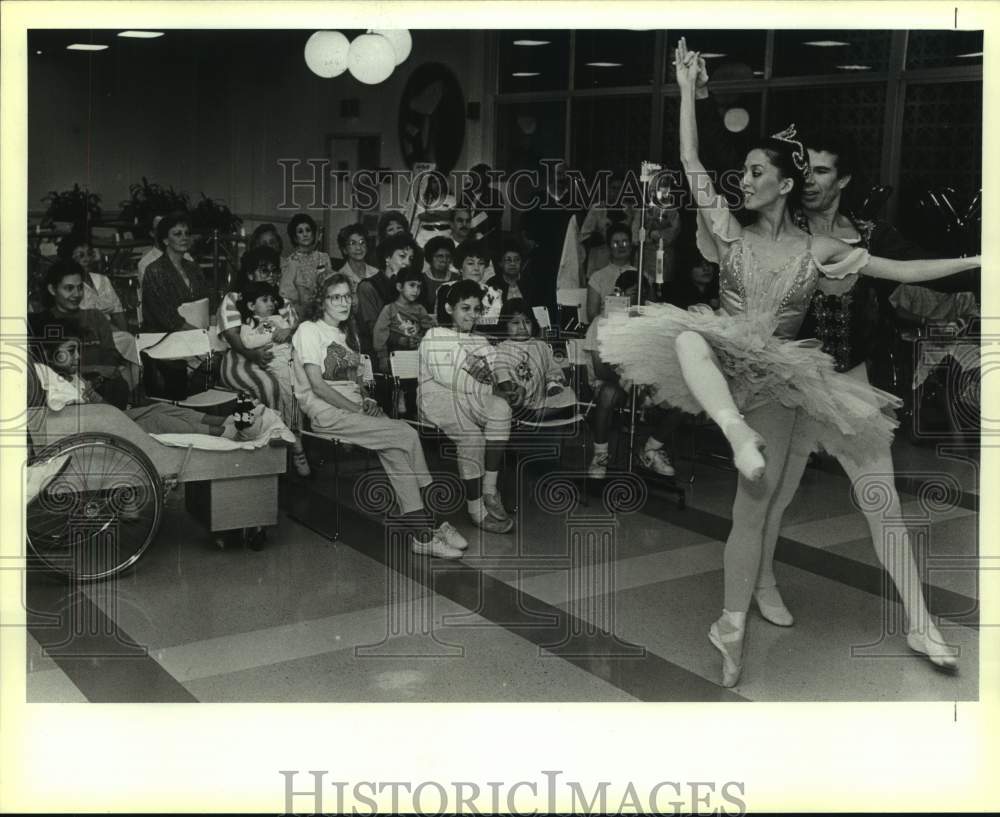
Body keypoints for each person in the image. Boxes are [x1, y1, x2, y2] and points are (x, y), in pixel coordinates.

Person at [597, 39, 980, 686]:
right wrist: (688, 90)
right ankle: (738, 460)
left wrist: (976, 260)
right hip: (739, 364)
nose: (745, 180)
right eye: (745, 171)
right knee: (692, 346)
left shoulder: (828, 243)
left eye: (757, 172)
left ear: (796, 182)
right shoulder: (732, 230)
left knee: (782, 504)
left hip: (802, 380)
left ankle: (746, 622)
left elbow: (901, 270)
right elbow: (692, 160)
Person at [744, 131, 966, 669]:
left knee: (881, 503)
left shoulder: (871, 235)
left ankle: (920, 623)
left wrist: (975, 270)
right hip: (787, 383)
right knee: (773, 495)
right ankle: (762, 582)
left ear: (843, 179)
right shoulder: (781, 228)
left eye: (823, 171)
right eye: (806, 170)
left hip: (849, 384)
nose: (811, 181)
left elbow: (919, 272)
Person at [292, 274, 467, 559]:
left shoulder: (346, 333)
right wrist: (357, 410)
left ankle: (423, 535)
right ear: (321, 301)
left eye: (347, 296)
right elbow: (317, 385)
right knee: (407, 433)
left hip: (355, 411)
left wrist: (367, 400)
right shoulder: (309, 330)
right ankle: (434, 521)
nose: (344, 303)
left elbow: (354, 382)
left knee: (396, 450)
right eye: (335, 297)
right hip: (327, 414)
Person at [32, 319, 264, 441]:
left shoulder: (70, 377)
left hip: (108, 419)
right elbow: (70, 413)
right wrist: (90, 399)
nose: (78, 357)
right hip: (99, 430)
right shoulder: (52, 382)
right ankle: (222, 433)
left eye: (77, 350)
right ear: (49, 355)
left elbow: (103, 406)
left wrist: (92, 395)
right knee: (156, 421)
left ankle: (224, 421)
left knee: (159, 408)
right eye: (71, 351)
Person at [419, 280, 515, 535]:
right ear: (449, 308)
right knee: (472, 436)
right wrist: (486, 380)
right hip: (439, 399)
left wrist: (509, 386)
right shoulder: (434, 336)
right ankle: (476, 511)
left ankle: (489, 490)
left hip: (473, 398)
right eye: (465, 308)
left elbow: (497, 368)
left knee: (502, 408)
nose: (472, 315)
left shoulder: (480, 340)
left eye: (476, 309)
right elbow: (447, 377)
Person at [217, 246, 310, 476]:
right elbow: (233, 336)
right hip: (241, 357)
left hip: (279, 355)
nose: (271, 276)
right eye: (264, 271)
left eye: (274, 271)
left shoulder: (282, 303)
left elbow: (296, 331)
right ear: (250, 274)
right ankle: (271, 453)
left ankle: (290, 444)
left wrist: (289, 333)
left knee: (296, 384)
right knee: (267, 386)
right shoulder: (235, 299)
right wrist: (255, 355)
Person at [584, 268, 681, 478]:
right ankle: (600, 455)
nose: (639, 299)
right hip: (611, 383)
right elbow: (601, 370)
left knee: (682, 397)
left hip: (643, 384)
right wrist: (632, 381)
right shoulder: (601, 322)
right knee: (608, 393)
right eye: (634, 293)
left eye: (643, 294)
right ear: (619, 293)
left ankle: (650, 450)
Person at [29, 261, 131, 409]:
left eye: (80, 287)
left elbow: (111, 359)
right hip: (69, 393)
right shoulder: (43, 323)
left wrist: (97, 376)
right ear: (52, 289)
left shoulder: (95, 317)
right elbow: (46, 368)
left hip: (103, 390)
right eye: (69, 288)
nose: (76, 294)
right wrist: (94, 370)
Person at [493, 299, 576, 422]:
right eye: (515, 323)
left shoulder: (541, 346)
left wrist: (553, 384)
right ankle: (535, 415)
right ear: (504, 325)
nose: (522, 327)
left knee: (570, 397)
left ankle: (535, 415)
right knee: (503, 405)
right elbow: (501, 375)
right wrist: (513, 391)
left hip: (541, 399)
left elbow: (552, 370)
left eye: (527, 322)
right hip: (516, 399)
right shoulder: (501, 349)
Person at [141, 212, 210, 332]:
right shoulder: (154, 271)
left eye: (187, 233)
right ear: (165, 240)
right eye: (177, 234)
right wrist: (200, 335)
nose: (184, 238)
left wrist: (212, 327)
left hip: (196, 332)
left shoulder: (193, 267)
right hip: (165, 336)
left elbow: (209, 301)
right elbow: (169, 318)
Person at [356, 233, 419, 354]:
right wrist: (401, 340)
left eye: (410, 258)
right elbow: (373, 329)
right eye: (402, 256)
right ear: (387, 258)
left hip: (404, 353)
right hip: (376, 354)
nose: (407, 263)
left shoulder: (408, 287)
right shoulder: (367, 287)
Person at [57, 234, 128, 332]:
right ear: (69, 259)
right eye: (81, 256)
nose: (87, 259)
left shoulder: (102, 280)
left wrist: (125, 333)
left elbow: (118, 312)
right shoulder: (69, 286)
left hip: (112, 332)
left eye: (89, 254)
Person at [372, 266, 435, 375]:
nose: (416, 290)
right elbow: (380, 334)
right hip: (397, 357)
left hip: (418, 356)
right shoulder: (389, 309)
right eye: (412, 285)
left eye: (419, 287)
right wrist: (382, 357)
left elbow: (429, 329)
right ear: (399, 287)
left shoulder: (420, 309)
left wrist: (421, 336)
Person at [435, 239, 502, 329]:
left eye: (481, 263)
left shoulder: (494, 293)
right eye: (470, 263)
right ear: (460, 267)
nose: (476, 268)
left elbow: (494, 324)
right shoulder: (446, 289)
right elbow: (443, 322)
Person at [586, 222, 641, 327]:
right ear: (609, 248)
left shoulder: (641, 276)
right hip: (605, 329)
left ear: (630, 246)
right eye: (616, 243)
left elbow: (651, 312)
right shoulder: (597, 278)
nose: (621, 246)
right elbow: (592, 316)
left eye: (624, 242)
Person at [278, 213, 333, 313]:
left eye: (308, 230)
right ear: (295, 237)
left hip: (325, 306)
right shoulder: (291, 262)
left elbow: (331, 285)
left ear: (313, 233)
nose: (305, 234)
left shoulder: (324, 257)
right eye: (300, 231)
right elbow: (287, 293)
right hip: (302, 310)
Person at [334, 223, 378, 292]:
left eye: (362, 242)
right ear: (344, 250)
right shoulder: (340, 277)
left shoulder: (376, 273)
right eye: (352, 243)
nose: (358, 247)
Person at [421, 235, 459, 312]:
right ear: (430, 257)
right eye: (440, 256)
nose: (444, 260)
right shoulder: (421, 279)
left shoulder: (457, 279)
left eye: (448, 256)